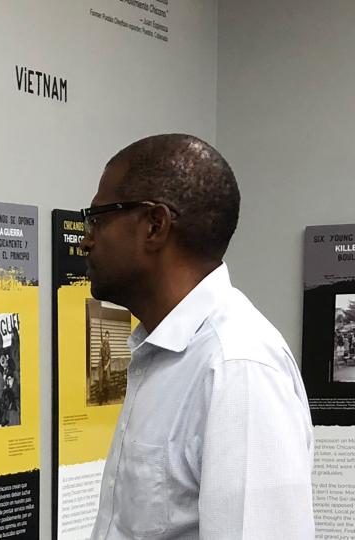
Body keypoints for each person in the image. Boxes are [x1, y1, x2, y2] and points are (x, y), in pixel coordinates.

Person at [82, 134, 313, 538]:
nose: (86, 238)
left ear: (155, 225)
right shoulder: (163, 352)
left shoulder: (237, 368)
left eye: (98, 218)